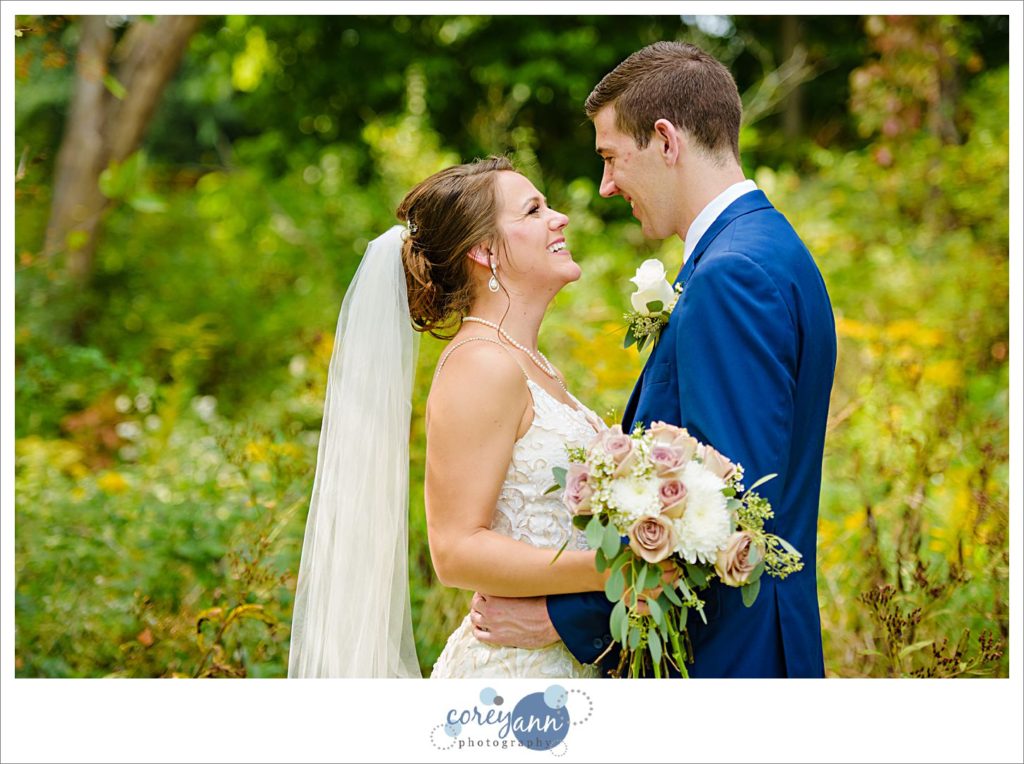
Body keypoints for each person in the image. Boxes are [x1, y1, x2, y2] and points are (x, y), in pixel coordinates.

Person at [472, 41, 837, 678]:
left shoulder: (732, 276)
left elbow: (723, 514)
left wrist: (561, 620)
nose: (607, 186)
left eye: (612, 157)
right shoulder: (767, 247)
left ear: (665, 141)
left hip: (732, 662)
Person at [287, 156, 605, 678]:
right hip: (515, 674)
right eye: (533, 210)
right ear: (484, 251)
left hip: (561, 656)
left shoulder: (531, 363)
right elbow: (456, 550)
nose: (560, 218)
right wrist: (613, 570)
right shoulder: (480, 364)